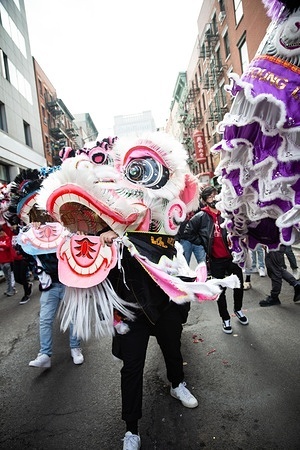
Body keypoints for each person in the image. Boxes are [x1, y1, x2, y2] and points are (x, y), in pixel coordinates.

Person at [99, 229, 198, 450]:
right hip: (131, 310)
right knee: (132, 368)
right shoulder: (109, 229)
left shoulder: (159, 219)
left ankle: (177, 383)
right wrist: (104, 238)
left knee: (172, 348)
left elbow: (172, 238)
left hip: (163, 302)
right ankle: (131, 429)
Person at [183, 186, 248, 334]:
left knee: (239, 285)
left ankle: (238, 310)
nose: (214, 198)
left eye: (215, 195)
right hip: (216, 260)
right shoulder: (200, 216)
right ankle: (225, 319)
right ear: (205, 200)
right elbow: (188, 232)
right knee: (220, 291)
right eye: (210, 197)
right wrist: (203, 242)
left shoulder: (226, 213)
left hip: (232, 257)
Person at [29, 252, 84, 368]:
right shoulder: (36, 236)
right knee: (45, 320)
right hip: (50, 285)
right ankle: (45, 353)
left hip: (68, 283)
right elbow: (26, 251)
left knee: (73, 316)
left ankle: (75, 347)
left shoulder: (66, 235)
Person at [0, 224, 15, 296]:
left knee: (9, 276)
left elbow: (8, 246)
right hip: (1, 260)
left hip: (7, 260)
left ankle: (12, 289)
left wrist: (2, 245)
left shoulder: (7, 238)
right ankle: (9, 288)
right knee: (6, 276)